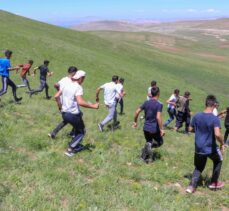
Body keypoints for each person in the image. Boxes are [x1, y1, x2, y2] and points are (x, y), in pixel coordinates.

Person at [186, 95, 225, 193]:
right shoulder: (215, 119)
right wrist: (222, 143)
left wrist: (199, 131)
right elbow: (217, 134)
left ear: (206, 103)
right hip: (209, 148)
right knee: (219, 159)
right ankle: (214, 182)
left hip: (198, 147)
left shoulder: (197, 116)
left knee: (199, 167)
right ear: (214, 105)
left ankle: (191, 187)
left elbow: (190, 129)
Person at [55, 70, 99, 156]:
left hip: (64, 114)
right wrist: (93, 106)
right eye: (83, 78)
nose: (83, 80)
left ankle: (75, 144)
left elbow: (56, 96)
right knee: (81, 132)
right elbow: (80, 102)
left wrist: (60, 107)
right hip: (73, 115)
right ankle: (70, 149)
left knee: (76, 128)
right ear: (81, 78)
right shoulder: (78, 87)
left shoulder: (66, 85)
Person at [132, 86, 165, 162]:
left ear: (151, 94)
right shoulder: (159, 104)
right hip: (154, 129)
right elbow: (158, 117)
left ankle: (142, 158)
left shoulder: (146, 102)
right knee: (160, 142)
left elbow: (137, 112)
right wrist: (162, 129)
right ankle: (149, 146)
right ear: (158, 93)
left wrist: (135, 122)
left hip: (146, 128)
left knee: (148, 142)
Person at [48, 66, 78, 139]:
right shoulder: (72, 81)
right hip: (68, 103)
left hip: (62, 101)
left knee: (68, 119)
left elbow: (56, 85)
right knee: (76, 117)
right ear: (74, 73)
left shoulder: (64, 79)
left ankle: (54, 133)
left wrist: (59, 91)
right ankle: (72, 133)